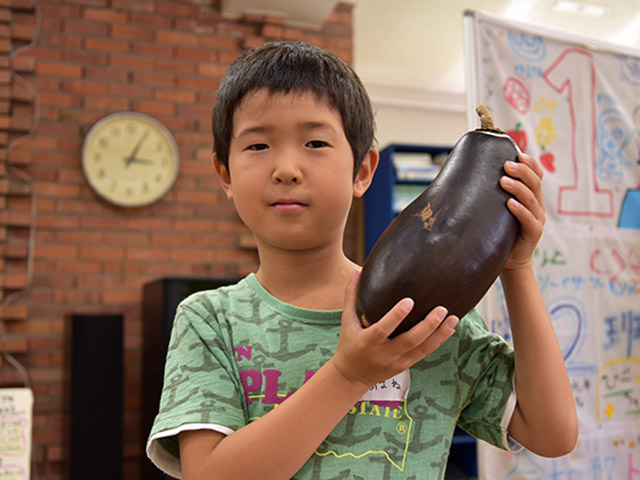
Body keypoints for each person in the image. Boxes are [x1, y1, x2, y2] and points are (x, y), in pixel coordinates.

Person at [146, 41, 578, 480]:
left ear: (363, 172)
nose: (287, 168)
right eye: (258, 146)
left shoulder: (427, 318)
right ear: (225, 175)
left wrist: (517, 268)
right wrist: (349, 375)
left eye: (315, 142)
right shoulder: (209, 320)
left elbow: (552, 434)